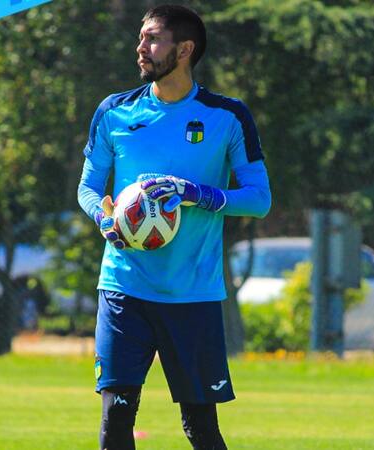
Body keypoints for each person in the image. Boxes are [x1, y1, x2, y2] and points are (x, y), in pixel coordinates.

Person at [77, 5, 271, 449]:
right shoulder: (114, 112)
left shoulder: (228, 116)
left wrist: (198, 194)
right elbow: (88, 187)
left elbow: (259, 200)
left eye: (152, 39)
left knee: (200, 428)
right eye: (141, 38)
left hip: (193, 295)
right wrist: (104, 217)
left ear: (184, 49)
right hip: (124, 286)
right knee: (116, 420)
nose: (140, 48)